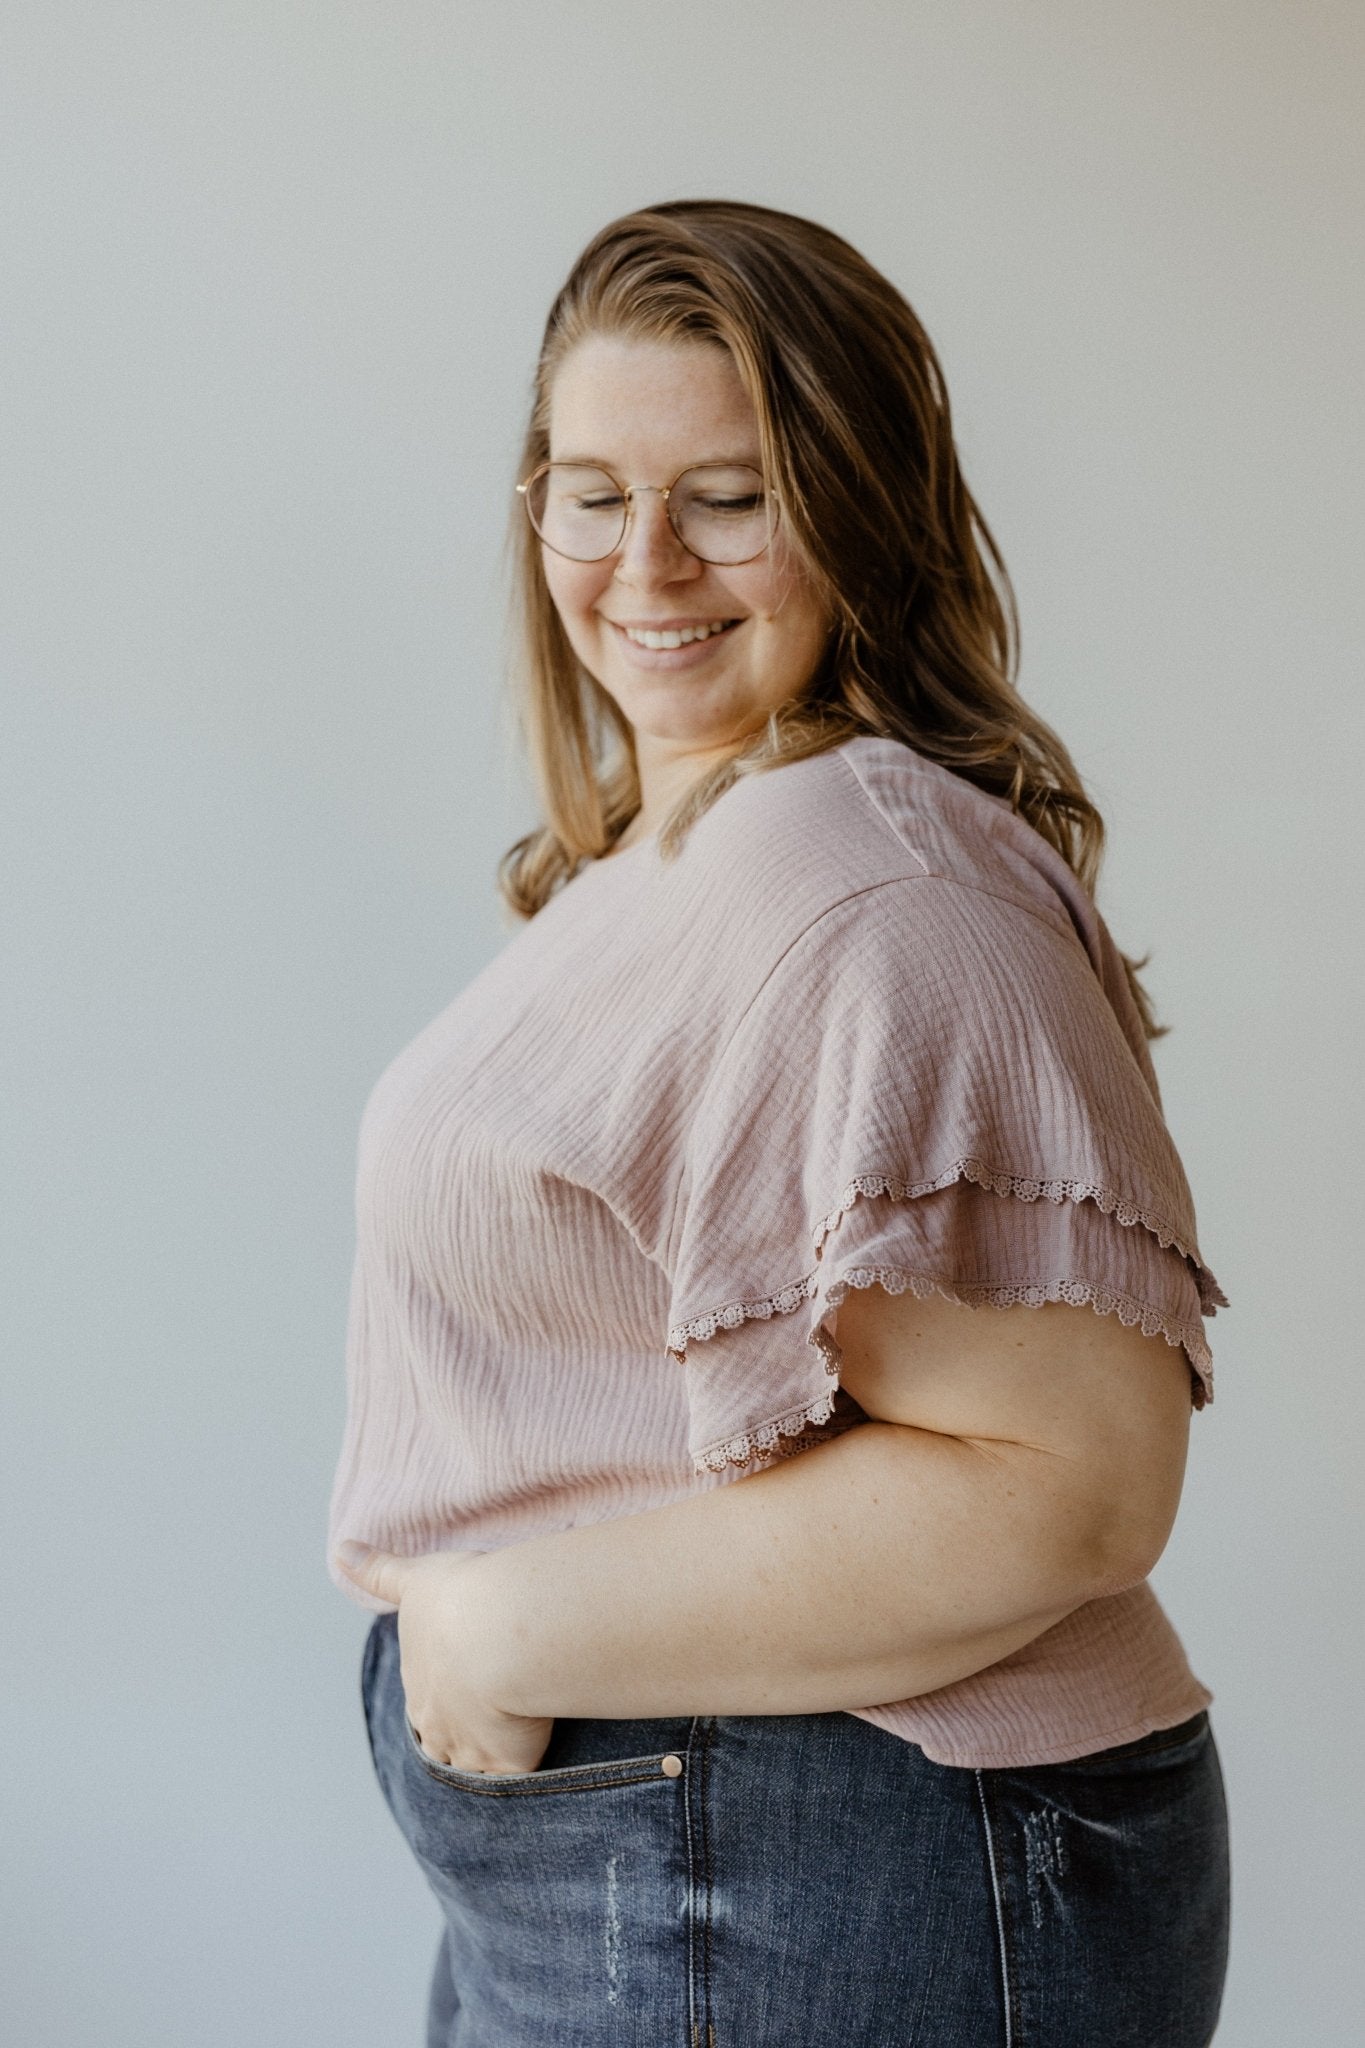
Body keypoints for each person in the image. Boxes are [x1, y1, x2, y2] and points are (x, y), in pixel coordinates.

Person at [328, 199, 1231, 2047]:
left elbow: (1071, 1480)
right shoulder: (699, 844)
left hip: (801, 1860)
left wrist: (497, 1631)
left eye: (728, 499)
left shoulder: (873, 890)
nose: (644, 563)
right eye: (591, 493)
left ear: (862, 510)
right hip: (677, 1850)